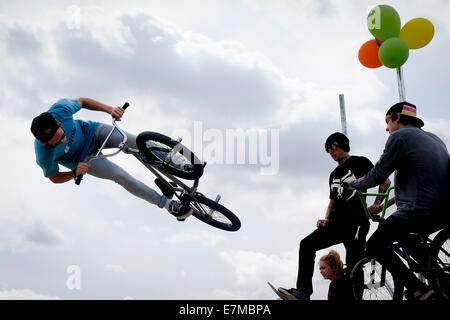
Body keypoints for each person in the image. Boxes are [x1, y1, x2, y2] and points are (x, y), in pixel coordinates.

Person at [344, 101, 449, 300]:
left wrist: (353, 183)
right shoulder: (436, 139)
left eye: (387, 121)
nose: (386, 128)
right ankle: (442, 282)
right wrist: (386, 204)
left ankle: (418, 289)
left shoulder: (400, 137)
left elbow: (377, 174)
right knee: (404, 237)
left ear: (397, 118)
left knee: (374, 245)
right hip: (442, 210)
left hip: (417, 211)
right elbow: (422, 183)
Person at [31, 97, 192, 220]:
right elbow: (53, 177)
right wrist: (74, 173)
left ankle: (180, 163)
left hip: (92, 132)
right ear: (45, 144)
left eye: (62, 135)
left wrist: (110, 110)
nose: (63, 141)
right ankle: (168, 204)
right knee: (119, 175)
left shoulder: (61, 110)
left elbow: (83, 101)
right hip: (84, 160)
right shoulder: (43, 155)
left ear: (59, 123)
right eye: (57, 143)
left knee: (133, 141)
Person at [278, 132, 391, 300]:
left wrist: (376, 204)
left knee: (354, 264)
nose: (330, 152)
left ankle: (354, 298)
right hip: (337, 223)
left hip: (356, 222)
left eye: (333, 148)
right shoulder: (333, 174)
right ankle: (303, 292)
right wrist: (326, 219)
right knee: (307, 244)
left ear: (343, 145)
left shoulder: (360, 162)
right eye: (327, 150)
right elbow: (332, 202)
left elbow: (385, 182)